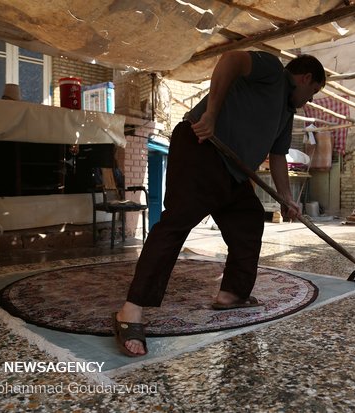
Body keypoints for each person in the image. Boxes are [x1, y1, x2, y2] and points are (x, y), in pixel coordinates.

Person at [112, 50, 326, 357]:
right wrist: (210, 113)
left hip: (234, 171)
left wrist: (287, 198)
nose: (310, 99)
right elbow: (230, 60)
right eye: (313, 91)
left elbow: (278, 158)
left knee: (249, 220)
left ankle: (232, 294)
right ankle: (130, 310)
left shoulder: (286, 114)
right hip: (202, 144)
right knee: (178, 222)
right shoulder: (271, 70)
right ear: (305, 78)